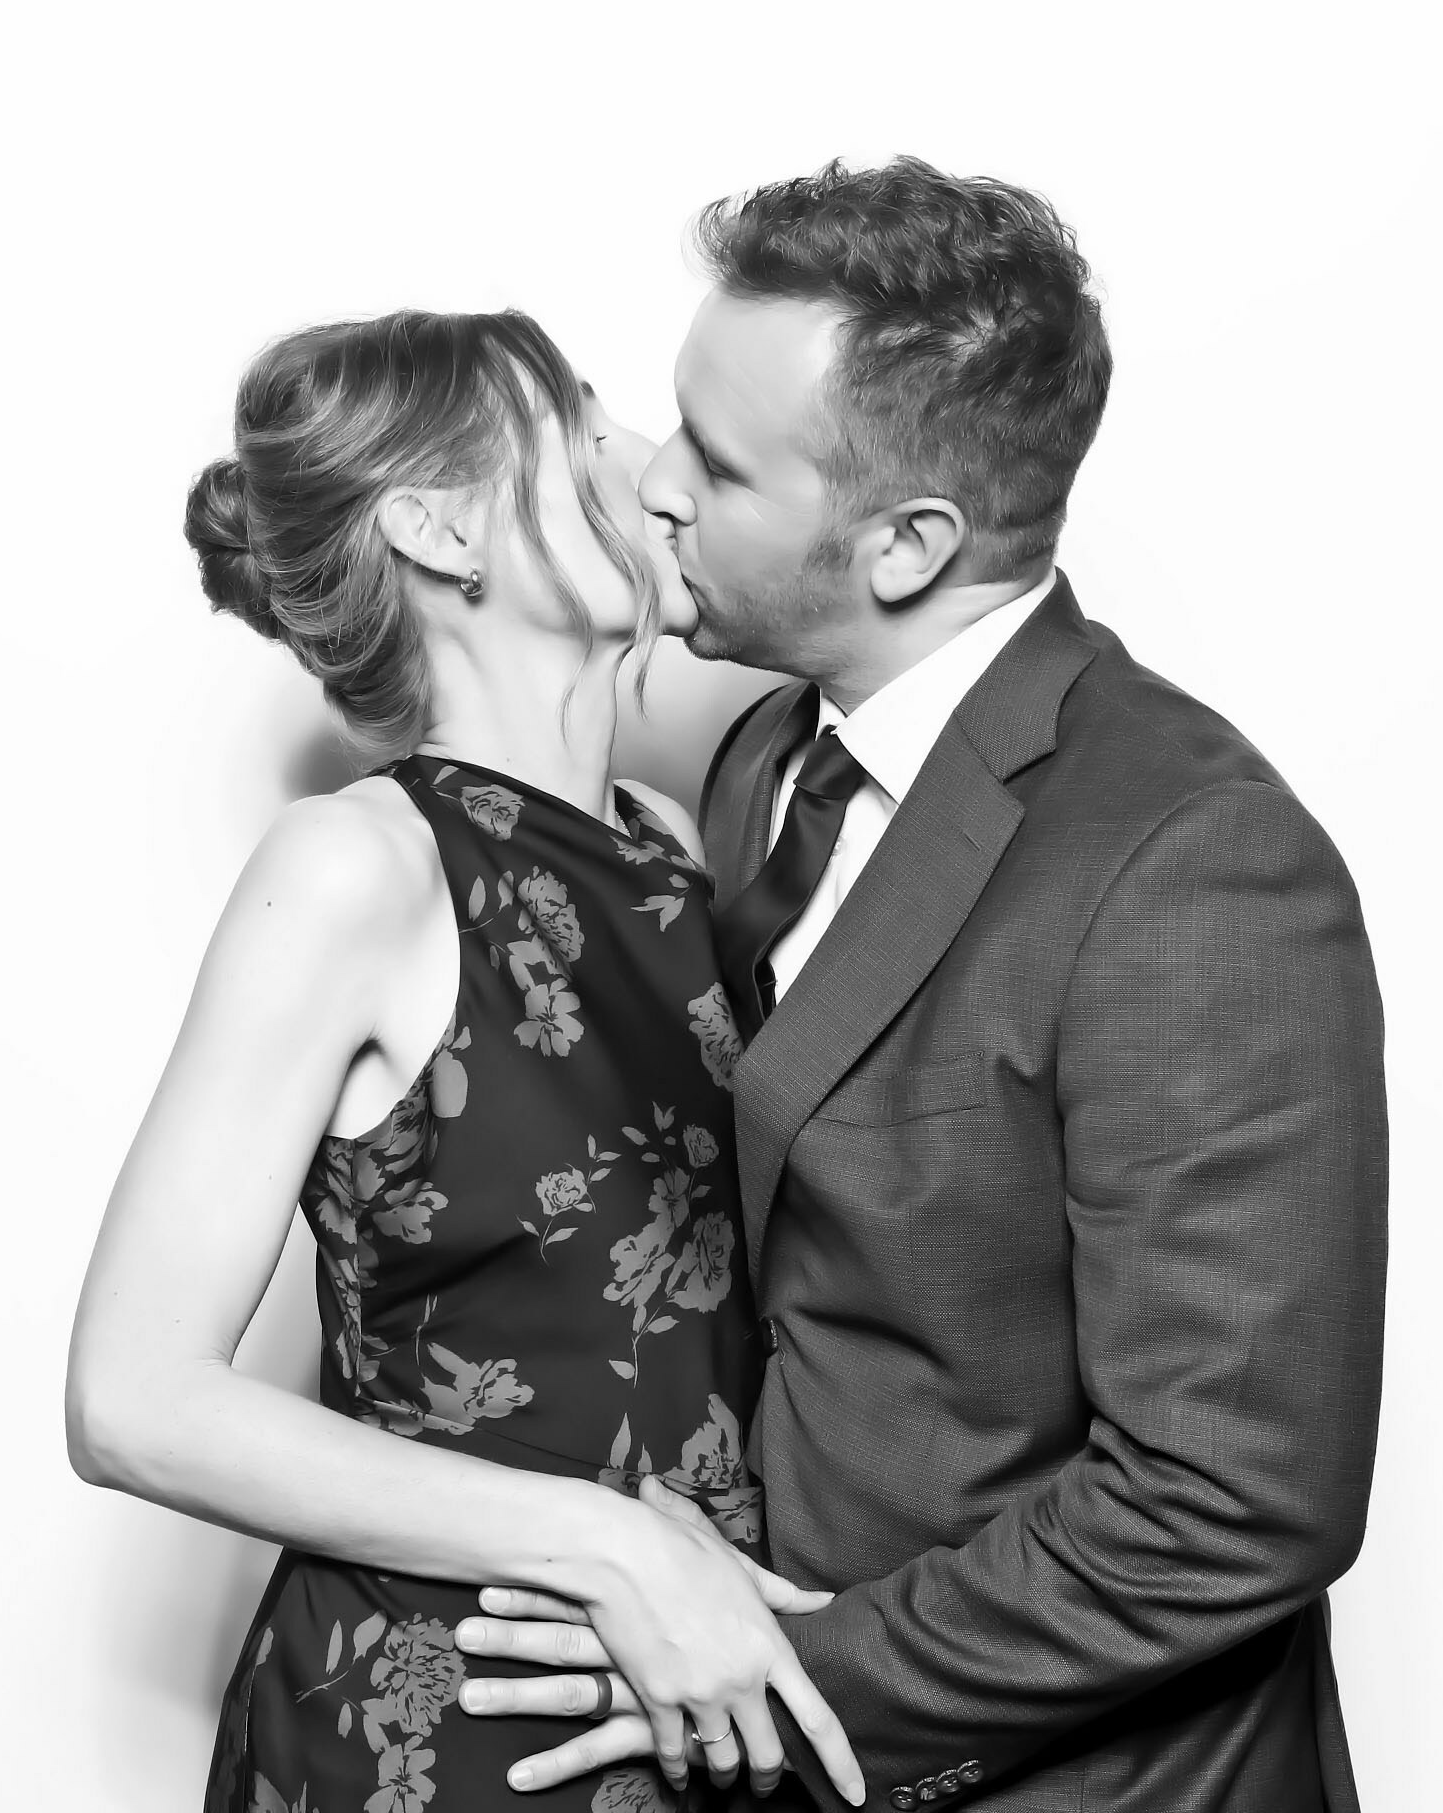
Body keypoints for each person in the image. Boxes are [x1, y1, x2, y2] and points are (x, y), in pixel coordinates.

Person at [451, 160, 1391, 1812]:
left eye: (718, 462)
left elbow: (1232, 1504)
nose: (654, 486)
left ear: (906, 545)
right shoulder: (760, 762)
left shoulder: (1199, 868)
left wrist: (787, 1689)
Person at [62, 309, 868, 1813]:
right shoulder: (356, 869)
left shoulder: (667, 845)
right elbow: (132, 1398)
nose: (655, 469)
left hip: (693, 1701)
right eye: (585, 428)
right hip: (441, 1717)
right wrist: (618, 1548)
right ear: (437, 531)